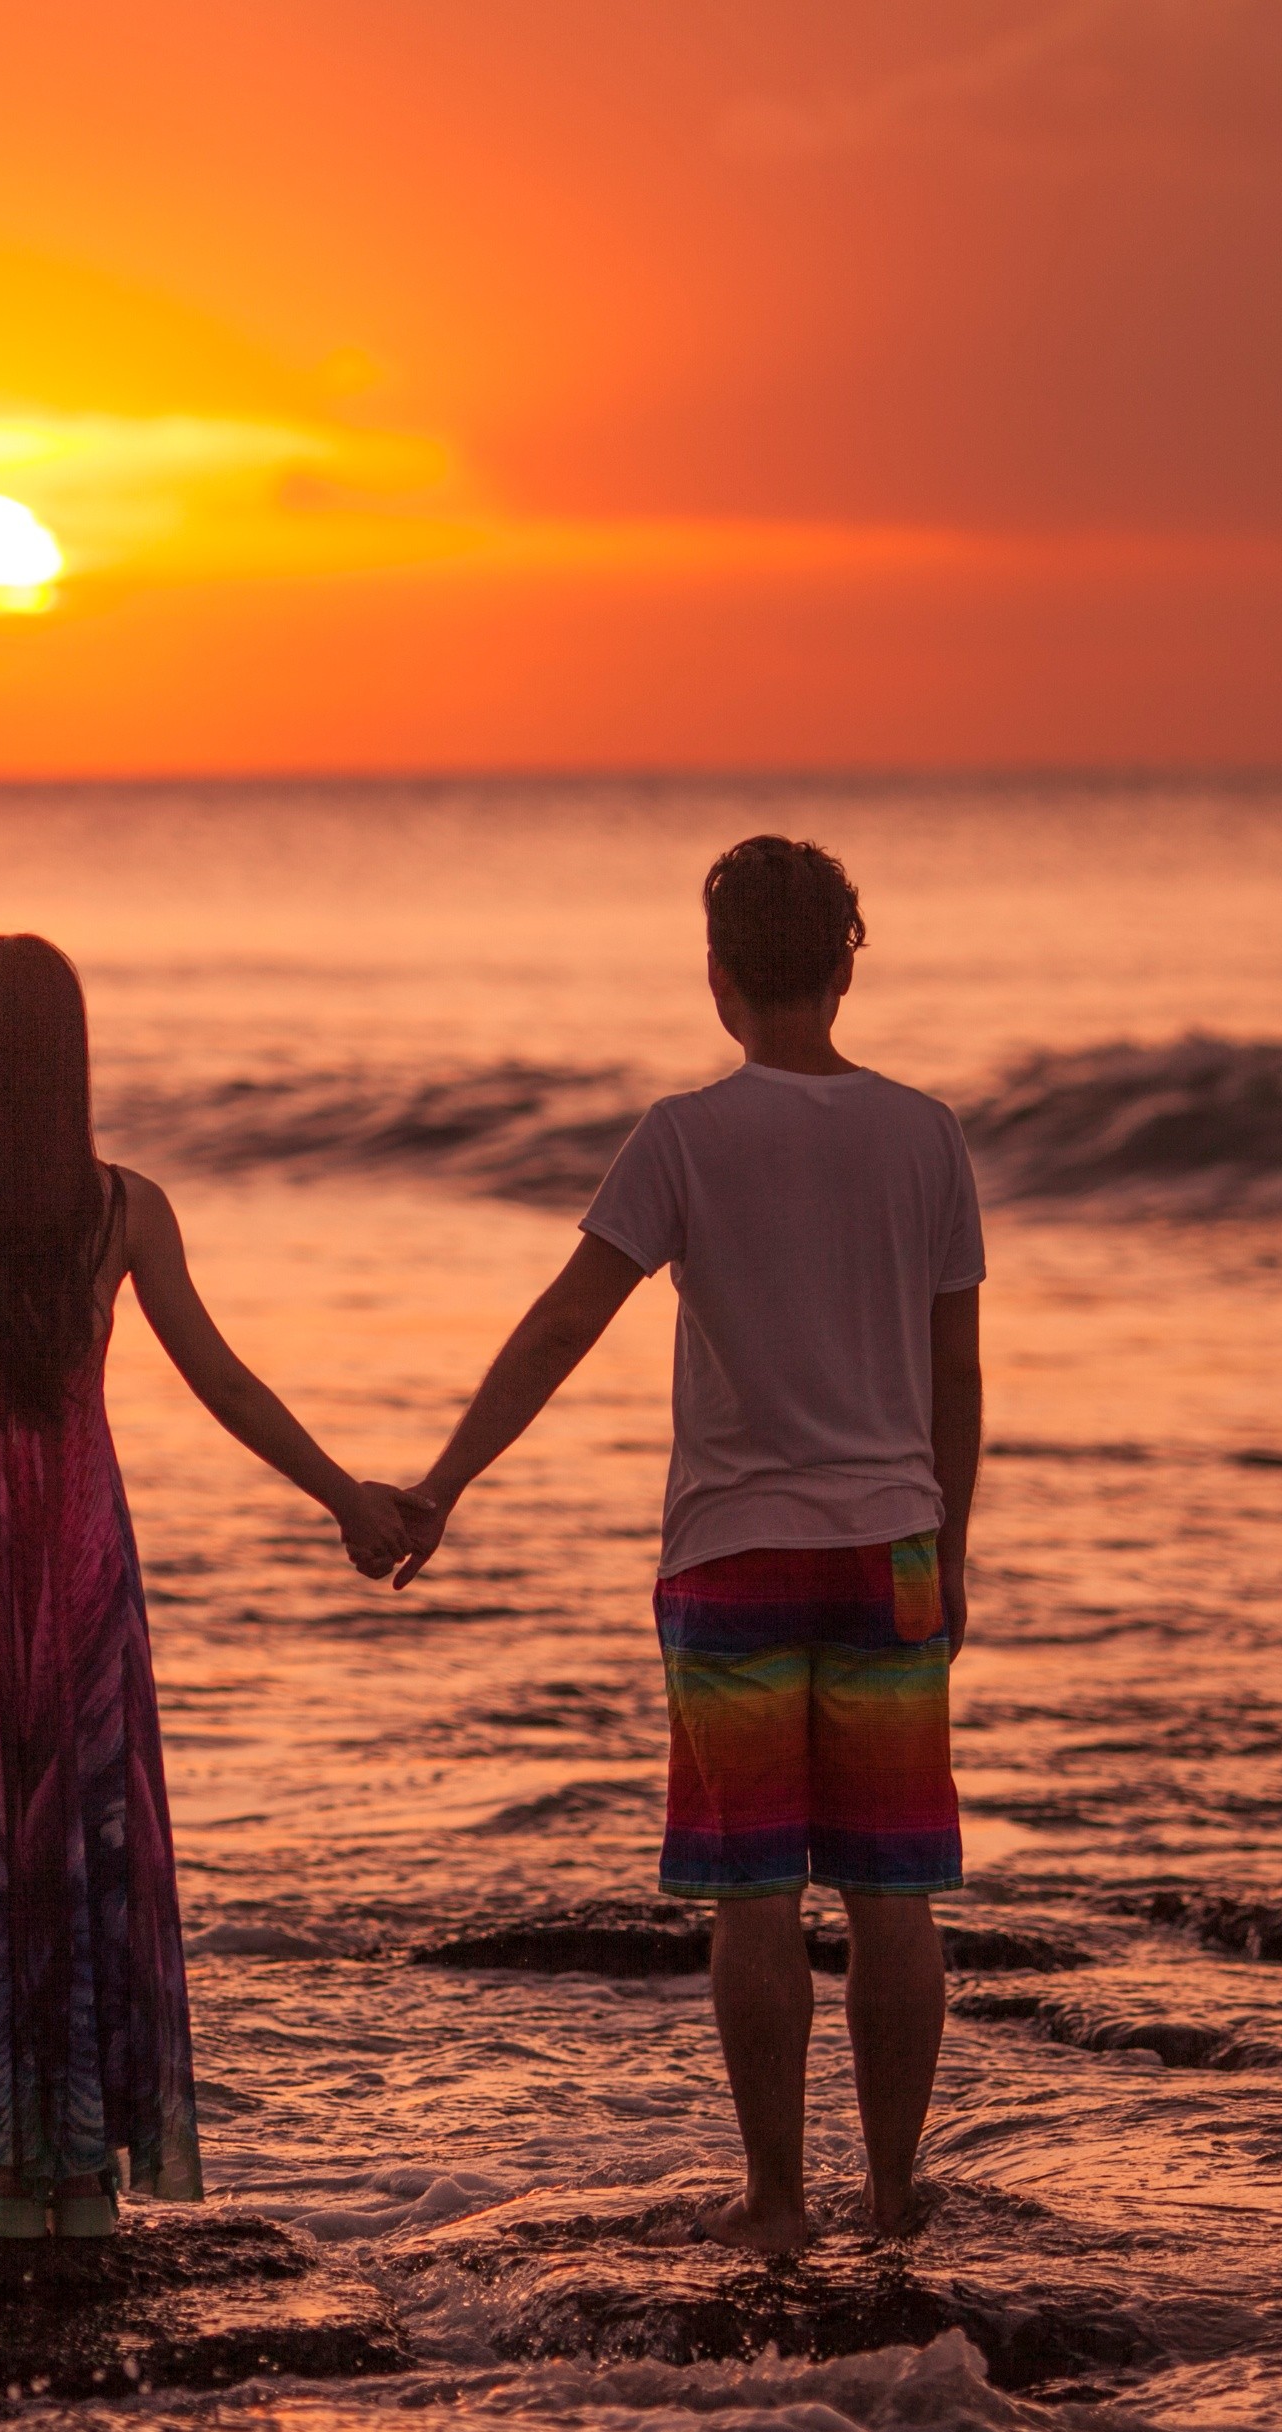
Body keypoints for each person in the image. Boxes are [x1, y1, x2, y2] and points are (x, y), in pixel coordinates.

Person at [385, 838, 983, 2251]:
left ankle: (775, 2200)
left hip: (728, 1558)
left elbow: (559, 1324)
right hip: (889, 1545)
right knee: (893, 1892)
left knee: (754, 1895)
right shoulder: (924, 1134)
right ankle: (893, 2194)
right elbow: (955, 1373)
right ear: (845, 964)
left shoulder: (682, 1136)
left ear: (717, 978)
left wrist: (443, 1481)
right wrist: (947, 1547)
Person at [0, 934, 407, 2240]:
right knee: (89, 1841)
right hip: (81, 1560)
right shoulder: (123, 1210)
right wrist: (348, 1498)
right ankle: (82, 2173)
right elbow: (220, 1381)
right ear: (69, 1065)